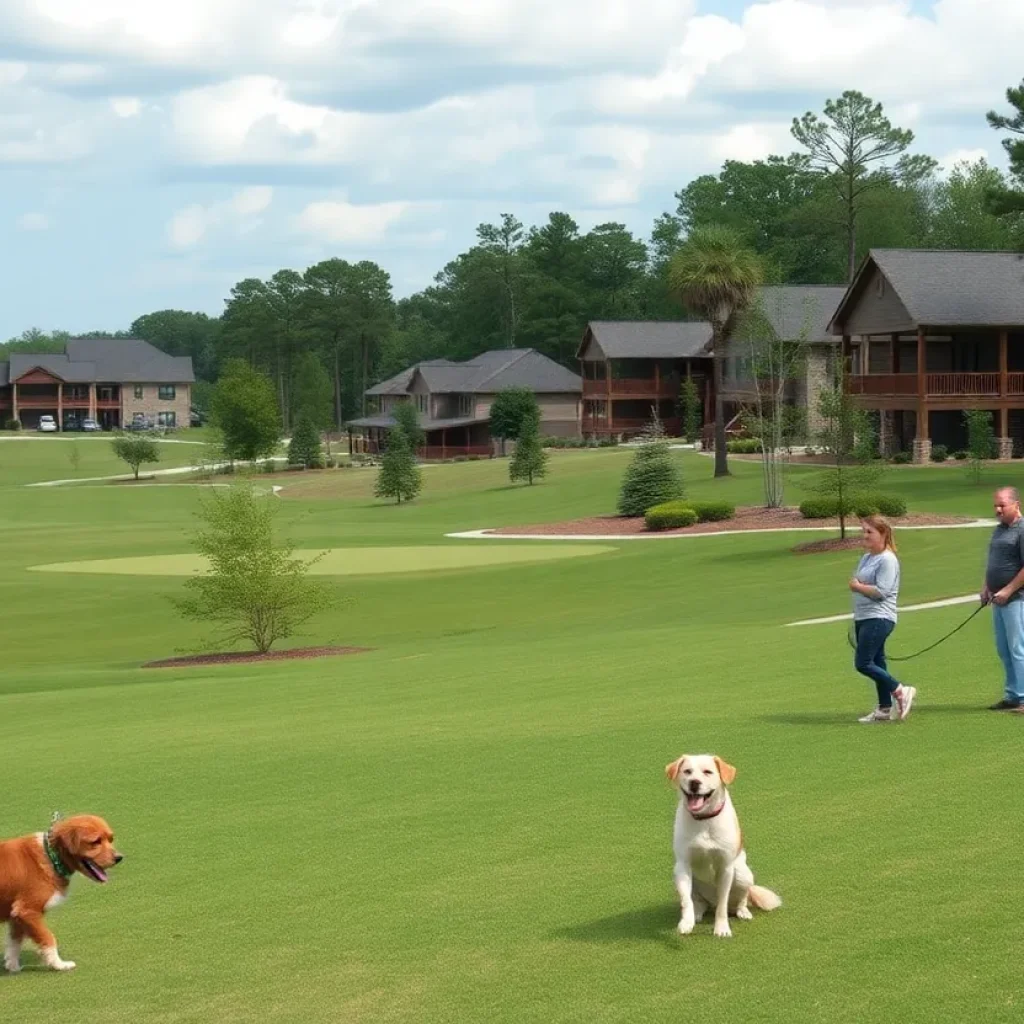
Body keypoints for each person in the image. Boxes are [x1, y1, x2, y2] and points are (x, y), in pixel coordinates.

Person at [849, 515, 916, 723]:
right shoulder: (867, 557)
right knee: (877, 661)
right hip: (864, 616)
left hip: (879, 617)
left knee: (863, 663)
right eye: (863, 531)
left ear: (883, 534)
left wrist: (858, 586)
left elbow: (882, 592)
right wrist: (859, 585)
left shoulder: (887, 560)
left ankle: (900, 690)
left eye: (870, 532)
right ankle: (884, 708)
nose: (865, 535)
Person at [981, 487, 1024, 711]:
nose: (997, 509)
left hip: (1017, 599)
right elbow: (993, 561)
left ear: (1016, 505)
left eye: (1002, 505)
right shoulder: (999, 530)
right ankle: (1013, 695)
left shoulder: (1022, 530)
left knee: (1018, 649)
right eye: (995, 505)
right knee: (1004, 649)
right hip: (998, 599)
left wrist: (1008, 590)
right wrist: (986, 588)